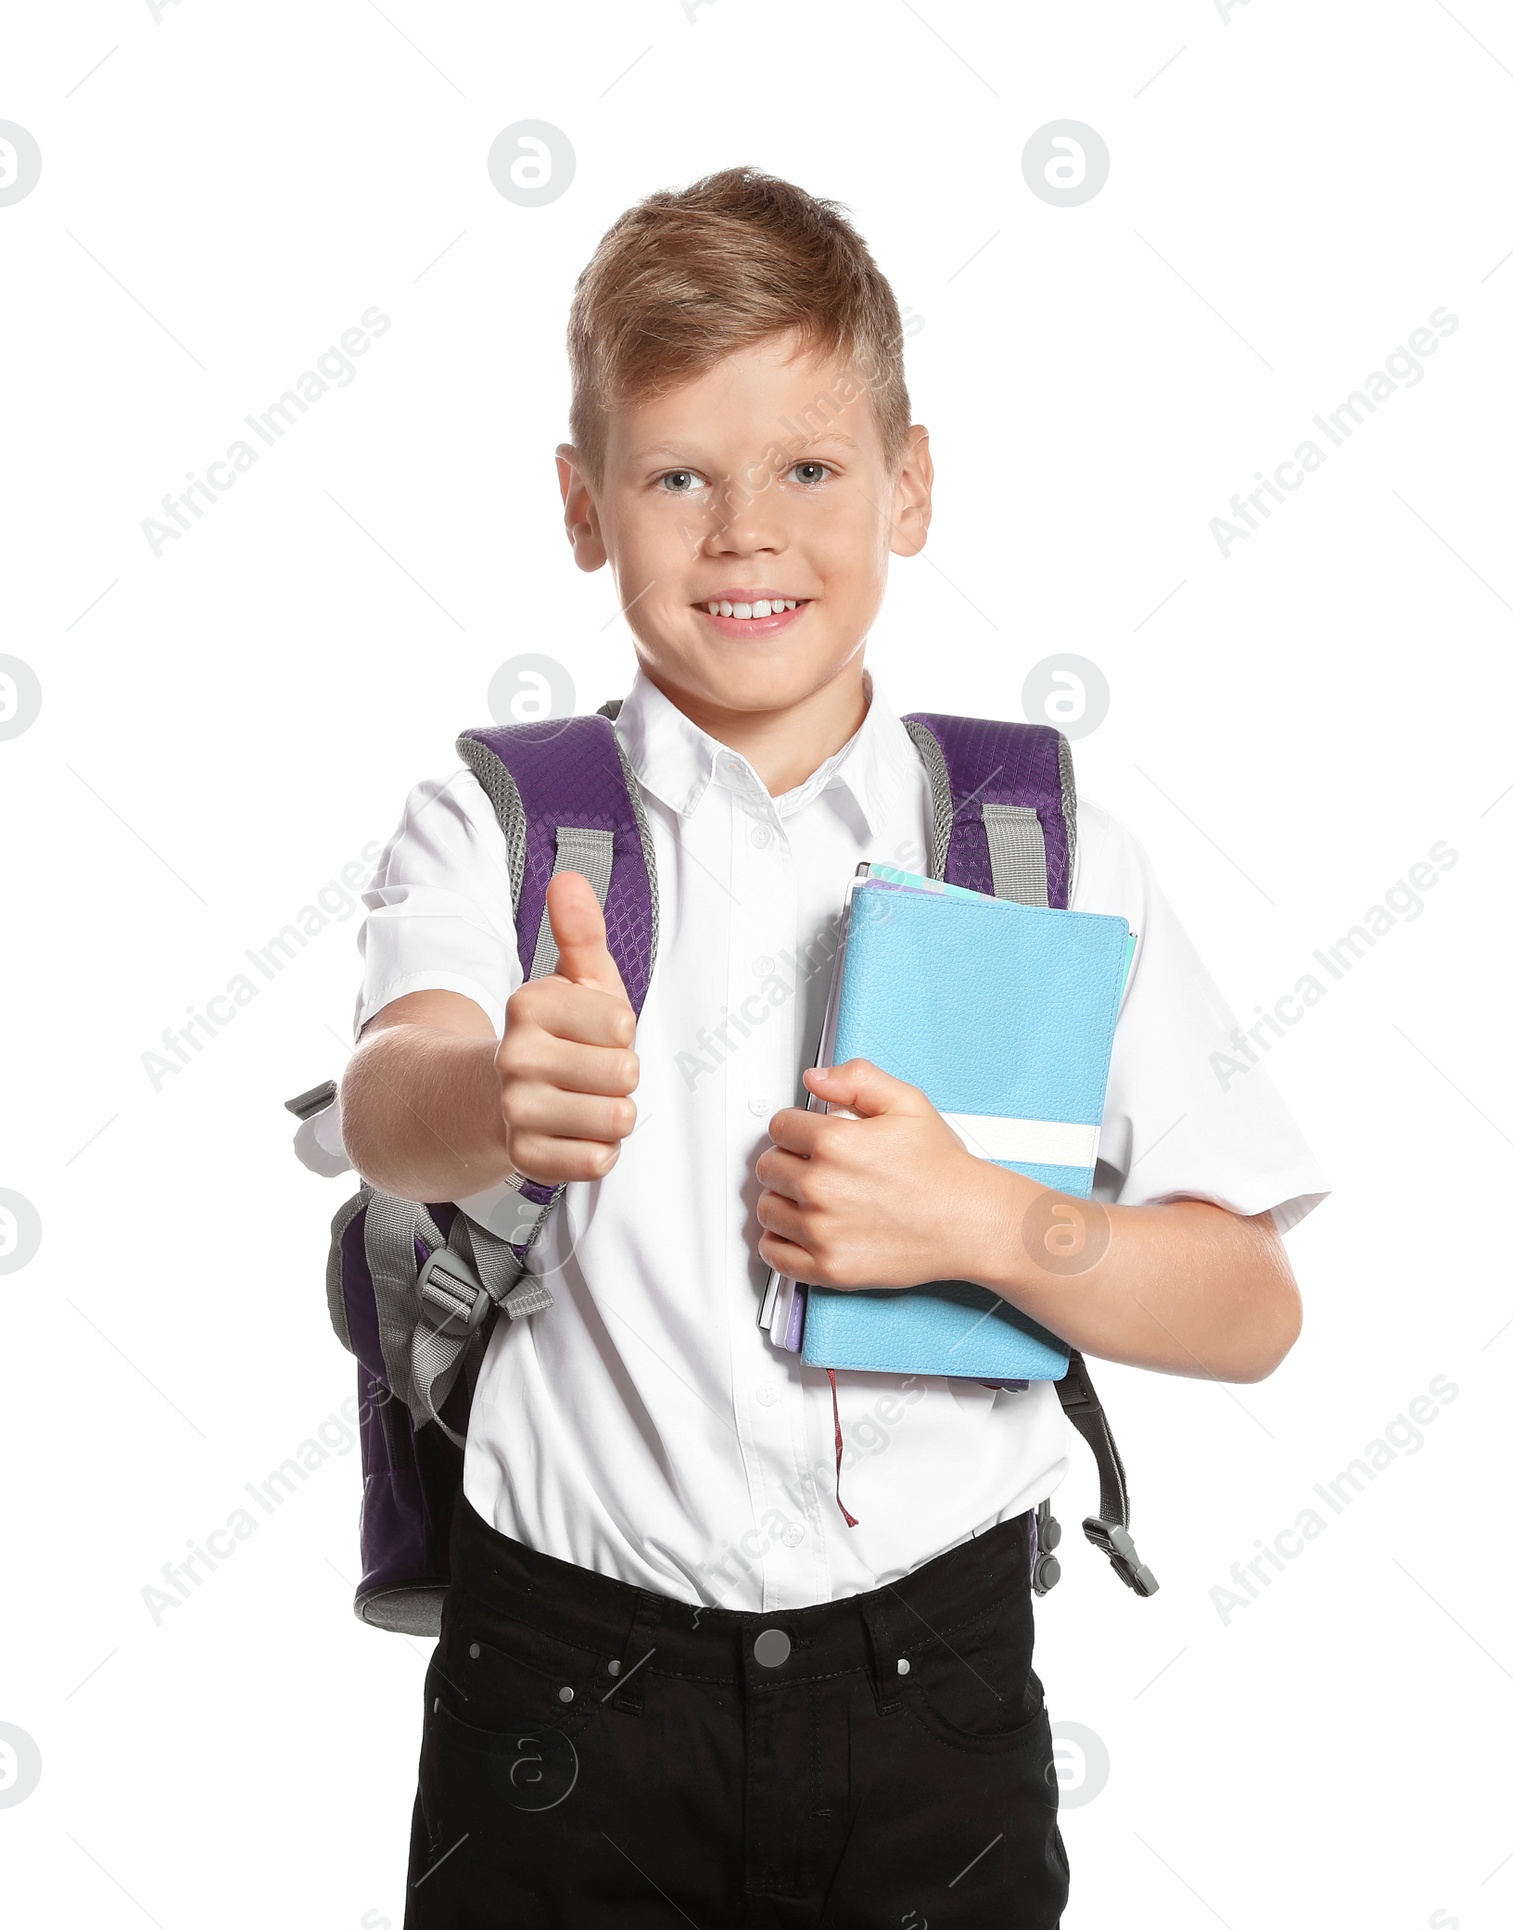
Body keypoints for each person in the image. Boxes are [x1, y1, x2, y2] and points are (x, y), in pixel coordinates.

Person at [338, 165, 1328, 1928]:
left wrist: (984, 1225)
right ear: (584, 505)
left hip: (934, 1699)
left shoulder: (1044, 840)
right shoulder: (496, 824)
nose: (745, 532)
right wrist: (495, 1090)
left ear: (911, 484)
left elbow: (1251, 1302)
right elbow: (389, 1100)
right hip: (563, 1699)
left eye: (808, 466)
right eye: (676, 476)